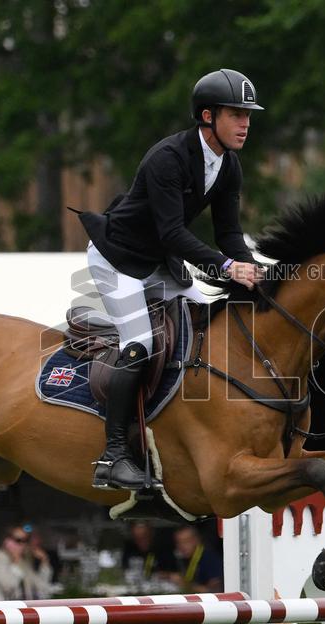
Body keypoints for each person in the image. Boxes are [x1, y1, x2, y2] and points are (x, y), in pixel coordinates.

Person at [78, 69, 267, 490]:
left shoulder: (228, 166)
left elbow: (230, 235)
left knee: (208, 325)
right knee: (140, 345)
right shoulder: (168, 158)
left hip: (160, 262)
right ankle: (113, 456)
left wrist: (250, 268)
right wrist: (225, 266)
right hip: (118, 260)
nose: (245, 123)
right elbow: (173, 233)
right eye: (236, 114)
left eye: (248, 115)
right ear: (207, 116)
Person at [0, 524, 54, 601]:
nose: (23, 544)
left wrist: (44, 561)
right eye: (18, 540)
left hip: (15, 608)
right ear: (7, 541)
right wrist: (15, 563)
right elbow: (9, 586)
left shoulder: (22, 561)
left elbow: (41, 586)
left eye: (26, 540)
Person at [169, 525, 223, 593]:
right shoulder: (182, 559)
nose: (182, 546)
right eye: (178, 542)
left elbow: (214, 591)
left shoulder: (210, 559)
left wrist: (184, 584)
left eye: (186, 541)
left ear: (197, 540)